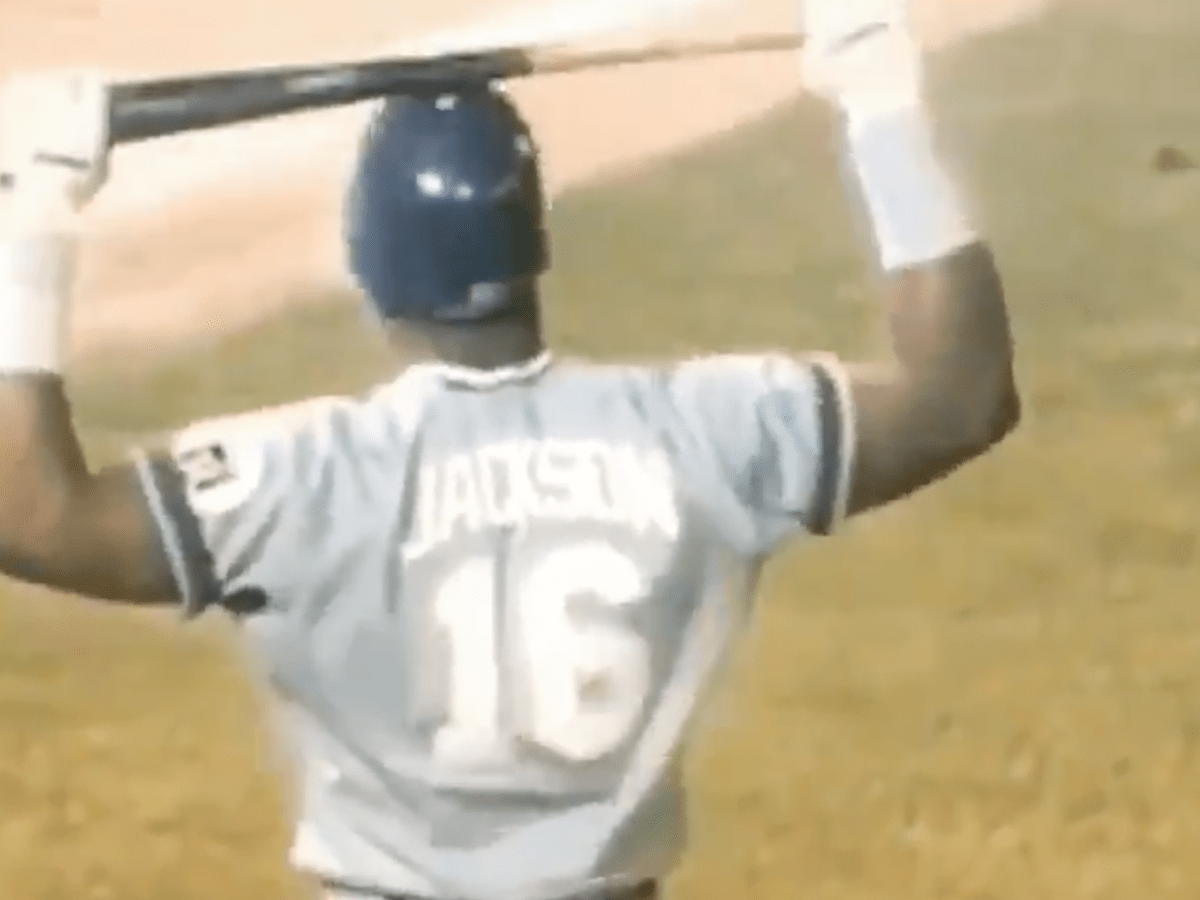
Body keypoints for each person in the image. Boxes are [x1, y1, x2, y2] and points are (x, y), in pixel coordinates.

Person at [0, 0, 1019, 898]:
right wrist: (883, 108)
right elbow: (961, 394)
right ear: (534, 243)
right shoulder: (710, 430)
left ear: (371, 262)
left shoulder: (300, 479)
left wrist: (33, 218)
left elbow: (29, 513)